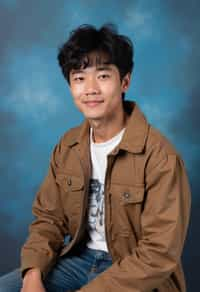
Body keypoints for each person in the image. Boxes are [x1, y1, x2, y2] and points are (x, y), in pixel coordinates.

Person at [0, 23, 191, 292]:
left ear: (125, 81)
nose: (90, 88)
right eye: (79, 78)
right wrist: (32, 275)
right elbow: (48, 220)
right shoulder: (68, 146)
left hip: (133, 272)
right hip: (78, 261)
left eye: (102, 76)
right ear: (69, 86)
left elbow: (158, 254)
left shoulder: (161, 157)